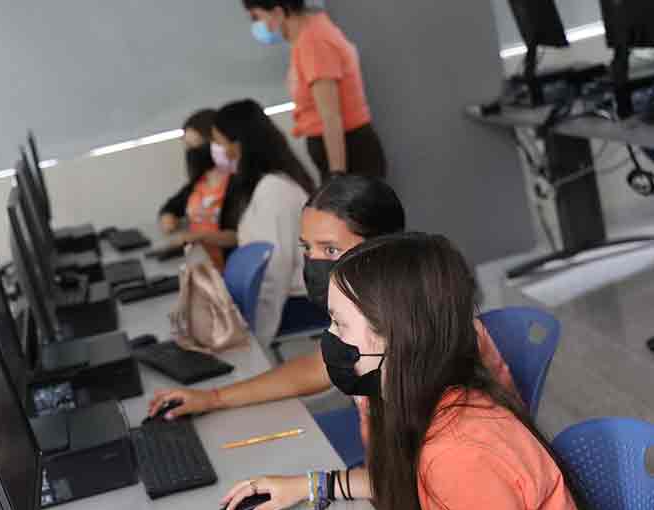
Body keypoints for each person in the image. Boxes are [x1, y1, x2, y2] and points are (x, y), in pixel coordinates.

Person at [221, 233, 612, 510]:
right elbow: (412, 484)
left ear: (397, 336)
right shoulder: (445, 399)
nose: (329, 338)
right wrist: (314, 485)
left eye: (339, 324)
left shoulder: (459, 457)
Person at [148, 176, 514, 428]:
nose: (315, 262)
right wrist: (212, 398)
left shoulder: (420, 334)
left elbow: (436, 470)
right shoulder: (371, 312)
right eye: (308, 248)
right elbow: (315, 368)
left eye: (332, 249)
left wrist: (325, 486)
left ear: (382, 248)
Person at [210, 99, 316, 345]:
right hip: (287, 296)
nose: (215, 149)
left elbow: (273, 269)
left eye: (218, 141)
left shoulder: (274, 190)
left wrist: (251, 332)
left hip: (297, 302)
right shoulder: (269, 184)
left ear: (237, 145)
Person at [242, 0, 387, 181]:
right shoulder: (307, 37)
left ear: (278, 12)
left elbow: (331, 116)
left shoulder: (313, 42)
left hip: (350, 152)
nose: (255, 26)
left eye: (256, 17)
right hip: (343, 150)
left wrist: (337, 175)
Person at [158, 109, 237, 269]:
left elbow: (240, 235)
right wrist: (167, 217)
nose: (193, 154)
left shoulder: (237, 182)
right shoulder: (198, 183)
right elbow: (171, 207)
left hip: (231, 266)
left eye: (198, 146)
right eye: (188, 147)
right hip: (200, 262)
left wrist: (196, 236)